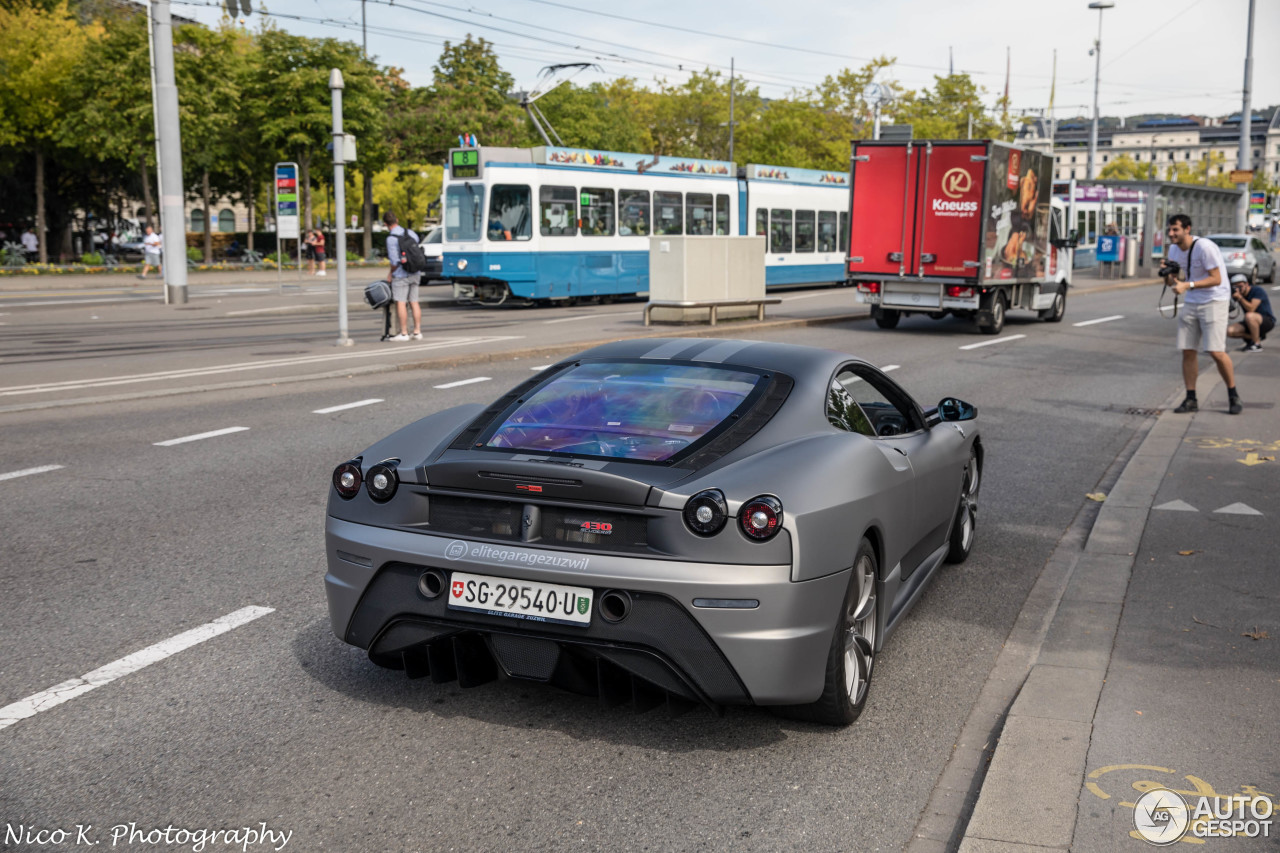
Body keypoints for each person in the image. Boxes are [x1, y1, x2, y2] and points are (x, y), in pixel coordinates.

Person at [1163, 214, 1241, 415]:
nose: (1171, 234)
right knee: (1187, 350)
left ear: (1187, 229)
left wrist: (1187, 285)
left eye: (1175, 230)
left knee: (1215, 351)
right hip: (1192, 301)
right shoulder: (1173, 249)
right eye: (1169, 229)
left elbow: (1216, 278)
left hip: (1214, 300)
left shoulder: (1204, 247)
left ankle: (1233, 395)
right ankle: (1191, 398)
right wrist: (1167, 275)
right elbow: (1173, 281)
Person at [382, 211, 421, 341]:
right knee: (414, 302)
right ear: (397, 220)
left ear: (385, 224)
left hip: (401, 274)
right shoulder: (411, 233)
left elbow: (394, 262)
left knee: (401, 302)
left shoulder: (391, 239)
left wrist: (390, 273)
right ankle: (417, 332)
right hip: (415, 271)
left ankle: (404, 333)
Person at [1226, 272, 1275, 353]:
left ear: (1247, 284)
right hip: (1250, 322)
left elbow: (1251, 308)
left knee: (1249, 316)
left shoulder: (1257, 290)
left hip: (1266, 320)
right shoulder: (1237, 294)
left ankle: (1257, 344)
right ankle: (1256, 337)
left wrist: (1240, 298)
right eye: (1235, 287)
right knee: (1229, 331)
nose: (1238, 289)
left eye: (1240, 286)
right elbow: (1230, 308)